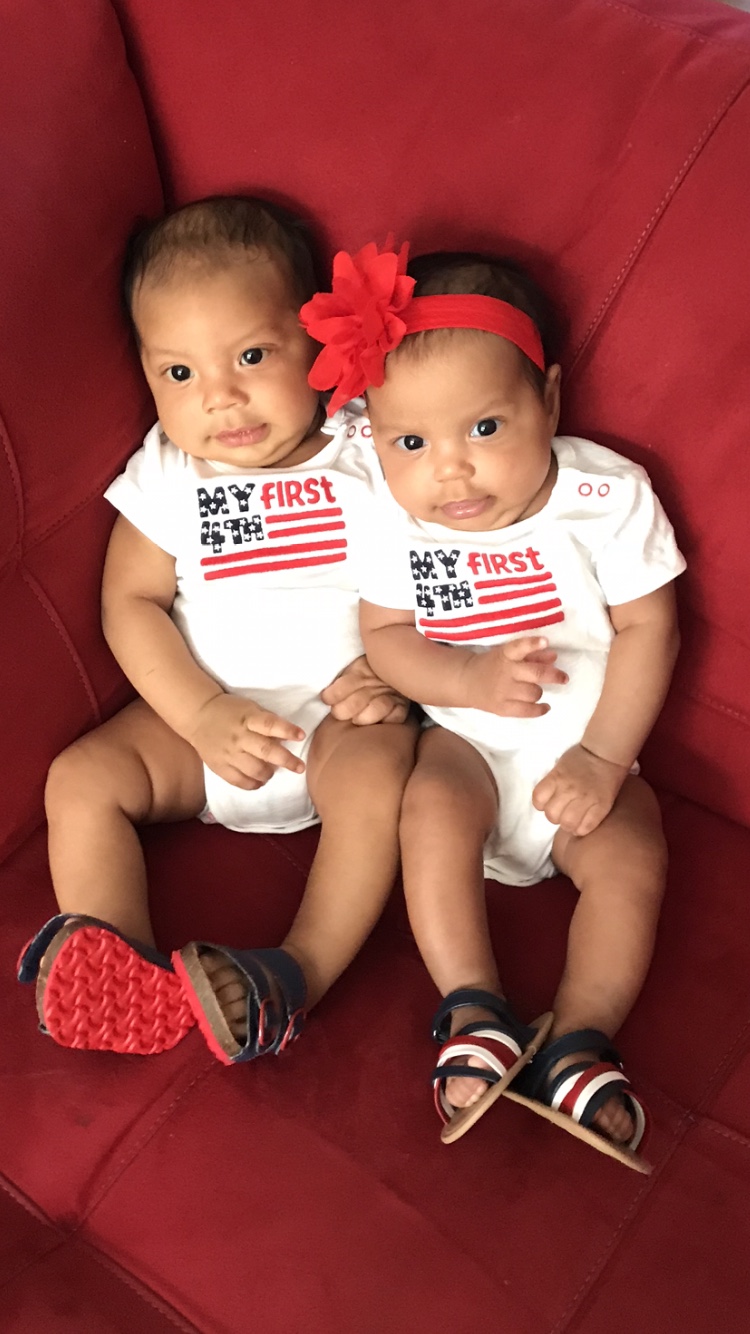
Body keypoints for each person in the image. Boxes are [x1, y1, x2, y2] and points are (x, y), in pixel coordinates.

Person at [299, 240, 685, 1170]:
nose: (452, 473)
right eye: (412, 443)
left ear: (547, 400)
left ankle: (580, 1039)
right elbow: (388, 636)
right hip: (469, 745)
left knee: (634, 859)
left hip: (588, 747)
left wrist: (602, 758)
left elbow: (651, 629)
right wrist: (467, 683)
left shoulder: (603, 496)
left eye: (484, 428)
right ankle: (474, 1007)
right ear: (376, 438)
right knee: (428, 809)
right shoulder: (395, 519)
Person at [18, 199, 416, 1063]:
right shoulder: (168, 474)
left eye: (251, 355)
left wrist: (403, 674)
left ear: (315, 342)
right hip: (200, 727)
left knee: (385, 777)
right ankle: (113, 961)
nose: (220, 396)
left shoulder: (370, 451)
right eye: (179, 372)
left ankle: (295, 973)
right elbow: (130, 603)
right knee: (81, 779)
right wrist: (199, 715)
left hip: (338, 726)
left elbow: (440, 563)